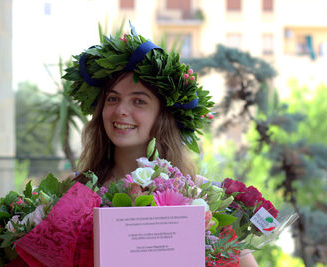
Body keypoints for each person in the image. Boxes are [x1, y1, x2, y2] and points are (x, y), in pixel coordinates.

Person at [64, 25, 258, 267]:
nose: (120, 110)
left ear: (162, 116)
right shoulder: (78, 192)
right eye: (112, 99)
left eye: (139, 101)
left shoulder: (198, 195)